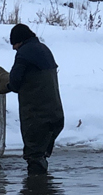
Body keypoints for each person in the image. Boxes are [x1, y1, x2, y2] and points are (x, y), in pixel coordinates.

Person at [7, 24, 64, 175]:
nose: (13, 48)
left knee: (34, 157)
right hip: (55, 113)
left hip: (35, 114)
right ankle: (44, 191)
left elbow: (14, 81)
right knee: (42, 153)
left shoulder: (24, 53)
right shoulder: (44, 49)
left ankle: (36, 192)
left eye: (14, 44)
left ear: (20, 41)